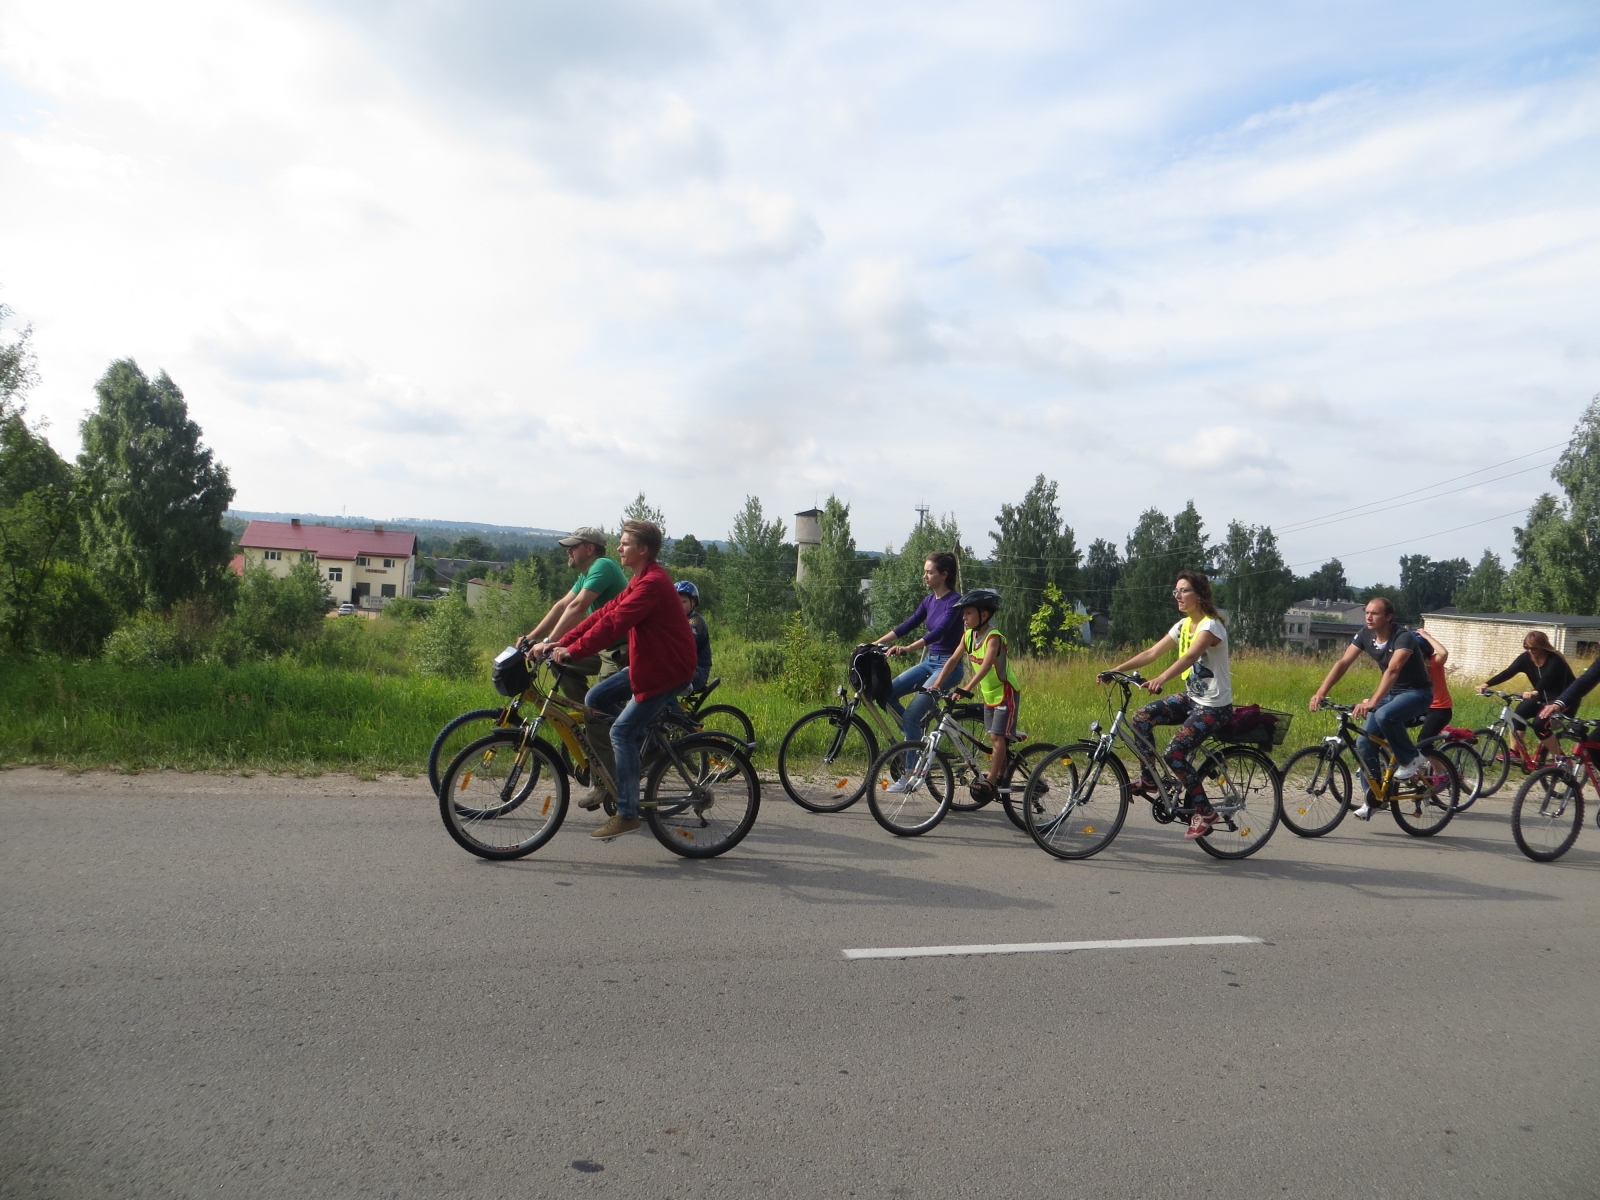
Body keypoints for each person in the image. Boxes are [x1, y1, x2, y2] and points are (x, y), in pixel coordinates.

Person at [531, 520, 697, 841]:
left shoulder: (651, 584)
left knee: (620, 731)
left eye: (624, 543)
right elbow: (601, 614)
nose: (619, 548)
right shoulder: (639, 579)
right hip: (648, 667)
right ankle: (637, 750)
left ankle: (627, 812)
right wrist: (559, 643)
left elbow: (613, 626)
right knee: (595, 701)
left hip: (668, 671)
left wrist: (572, 652)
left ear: (643, 550)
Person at [1100, 570, 1233, 839]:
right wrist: (1115, 669)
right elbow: (1151, 653)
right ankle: (1150, 778)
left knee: (1175, 753)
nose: (1178, 596)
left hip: (1214, 706)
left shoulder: (1211, 627)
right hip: (1193, 699)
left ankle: (1206, 812)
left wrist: (1161, 678)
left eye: (1183, 591)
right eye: (1176, 591)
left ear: (1200, 594)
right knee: (1141, 718)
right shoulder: (1182, 626)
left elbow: (1190, 657)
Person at [1310, 597, 1434, 820]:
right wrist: (1321, 692)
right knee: (1364, 741)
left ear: (1388, 617)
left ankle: (1412, 758)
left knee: (1386, 715)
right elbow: (1343, 663)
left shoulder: (1403, 637)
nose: (1368, 616)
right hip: (1391, 693)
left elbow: (1393, 670)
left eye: (1375, 613)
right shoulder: (1365, 635)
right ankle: (1373, 798)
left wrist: (1374, 701)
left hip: (1417, 693)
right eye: (1367, 612)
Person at [925, 589, 1019, 799]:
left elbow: (986, 666)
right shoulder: (968, 636)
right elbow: (951, 660)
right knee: (995, 736)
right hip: (989, 694)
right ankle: (1002, 773)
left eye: (968, 613)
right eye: (963, 614)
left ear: (984, 615)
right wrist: (937, 684)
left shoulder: (993, 638)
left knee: (996, 735)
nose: (963, 617)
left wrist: (966, 688)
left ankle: (991, 780)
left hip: (1005, 692)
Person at [522, 527, 630, 703]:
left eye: (574, 546)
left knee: (599, 702)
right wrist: (532, 637)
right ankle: (587, 719)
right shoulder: (586, 574)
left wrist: (548, 642)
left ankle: (600, 723)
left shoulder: (603, 565)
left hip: (619, 649)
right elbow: (562, 605)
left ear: (590, 549)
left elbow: (577, 607)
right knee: (557, 659)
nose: (568, 550)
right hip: (602, 645)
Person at [873, 551, 965, 749]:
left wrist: (908, 648)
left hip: (948, 666)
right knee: (886, 694)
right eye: (925, 572)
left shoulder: (955, 602)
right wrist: (874, 644)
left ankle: (909, 773)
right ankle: (914, 738)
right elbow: (908, 625)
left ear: (944, 575)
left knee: (912, 715)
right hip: (930, 662)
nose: (925, 576)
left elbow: (939, 632)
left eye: (929, 572)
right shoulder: (930, 601)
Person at [1482, 631, 1572, 759]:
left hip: (1562, 699)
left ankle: (1560, 759)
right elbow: (1509, 672)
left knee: (1540, 725)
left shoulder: (1555, 660)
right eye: (1526, 647)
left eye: (1533, 648)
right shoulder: (1526, 658)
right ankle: (1514, 753)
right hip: (1541, 697)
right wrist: (1487, 684)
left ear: (1543, 646)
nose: (1530, 651)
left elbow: (1547, 678)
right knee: (1517, 716)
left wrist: (1535, 691)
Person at [1416, 627, 1454, 745]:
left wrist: (1426, 636)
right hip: (1421, 707)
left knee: (1424, 742)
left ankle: (1440, 764)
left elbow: (1443, 653)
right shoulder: (1410, 666)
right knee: (1392, 724)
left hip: (1440, 709)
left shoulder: (1434, 662)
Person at [677, 580, 712, 691]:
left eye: (684, 601)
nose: (679, 605)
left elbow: (682, 646)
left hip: (698, 672)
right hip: (685, 669)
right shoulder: (677, 622)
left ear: (693, 602)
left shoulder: (695, 622)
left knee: (665, 682)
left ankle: (671, 708)